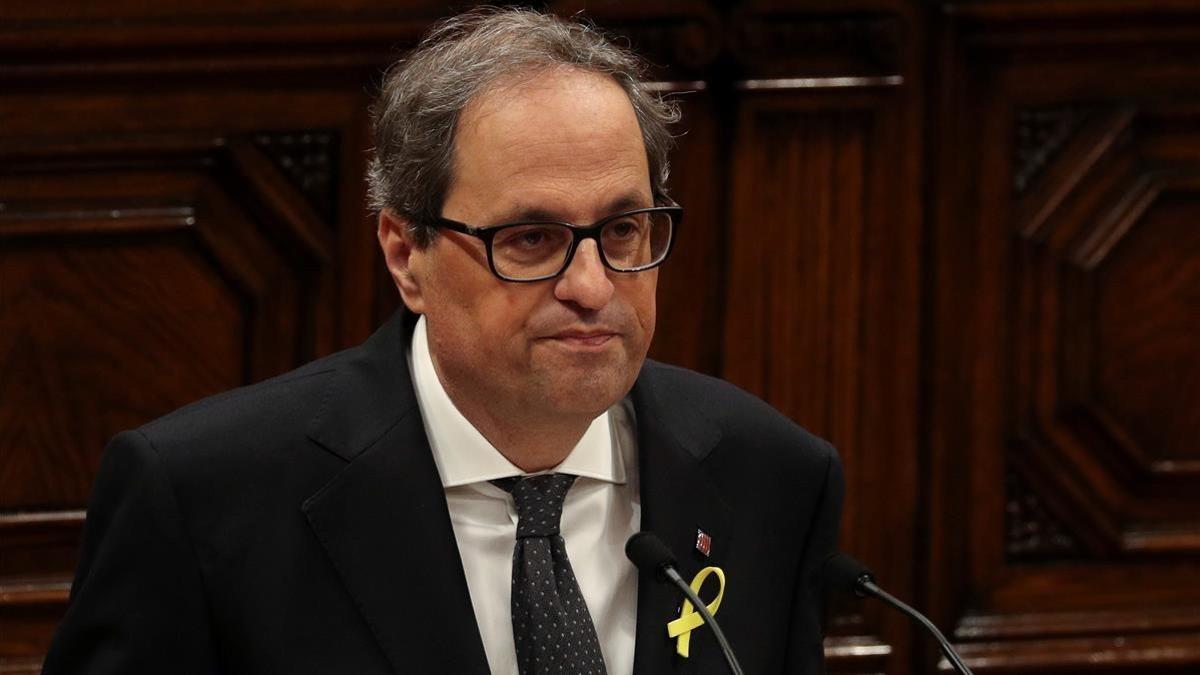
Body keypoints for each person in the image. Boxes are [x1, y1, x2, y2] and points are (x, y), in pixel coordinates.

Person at [43, 7, 842, 675]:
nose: (593, 285)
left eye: (625, 230)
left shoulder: (771, 477)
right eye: (532, 238)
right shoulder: (203, 498)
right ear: (404, 252)